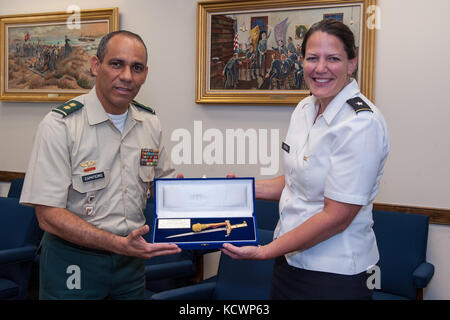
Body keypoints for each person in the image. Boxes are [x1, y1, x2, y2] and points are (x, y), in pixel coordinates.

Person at [222, 19, 390, 300]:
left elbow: (336, 217)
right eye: (312, 58)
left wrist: (265, 250)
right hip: (289, 262)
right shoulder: (304, 108)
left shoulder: (362, 124)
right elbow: (296, 180)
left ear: (352, 63)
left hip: (334, 275)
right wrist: (244, 188)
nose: (320, 68)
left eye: (333, 59)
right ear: (302, 62)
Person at [19, 30, 181, 300]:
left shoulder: (149, 124)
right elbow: (48, 215)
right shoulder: (61, 125)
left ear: (145, 73)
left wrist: (212, 204)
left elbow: (163, 185)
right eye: (117, 64)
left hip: (131, 263)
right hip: (74, 260)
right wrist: (117, 243)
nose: (127, 76)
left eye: (136, 68)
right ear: (96, 66)